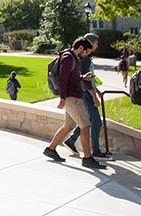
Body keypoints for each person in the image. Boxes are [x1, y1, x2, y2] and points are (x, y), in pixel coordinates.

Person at [43, 38, 107, 169]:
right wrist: (62, 98)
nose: (86, 55)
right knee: (85, 126)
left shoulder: (72, 57)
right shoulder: (68, 58)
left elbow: (70, 76)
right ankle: (87, 158)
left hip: (73, 96)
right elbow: (62, 79)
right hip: (72, 98)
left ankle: (50, 149)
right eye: (86, 52)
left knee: (68, 126)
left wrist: (82, 77)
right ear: (81, 48)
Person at [64, 33, 108, 158]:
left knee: (85, 120)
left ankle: (71, 140)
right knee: (96, 122)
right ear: (91, 42)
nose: (97, 45)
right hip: (85, 94)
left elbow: (87, 77)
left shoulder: (84, 57)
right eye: (96, 43)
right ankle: (95, 151)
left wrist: (96, 90)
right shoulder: (85, 58)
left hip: (84, 92)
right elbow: (85, 80)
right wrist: (94, 96)